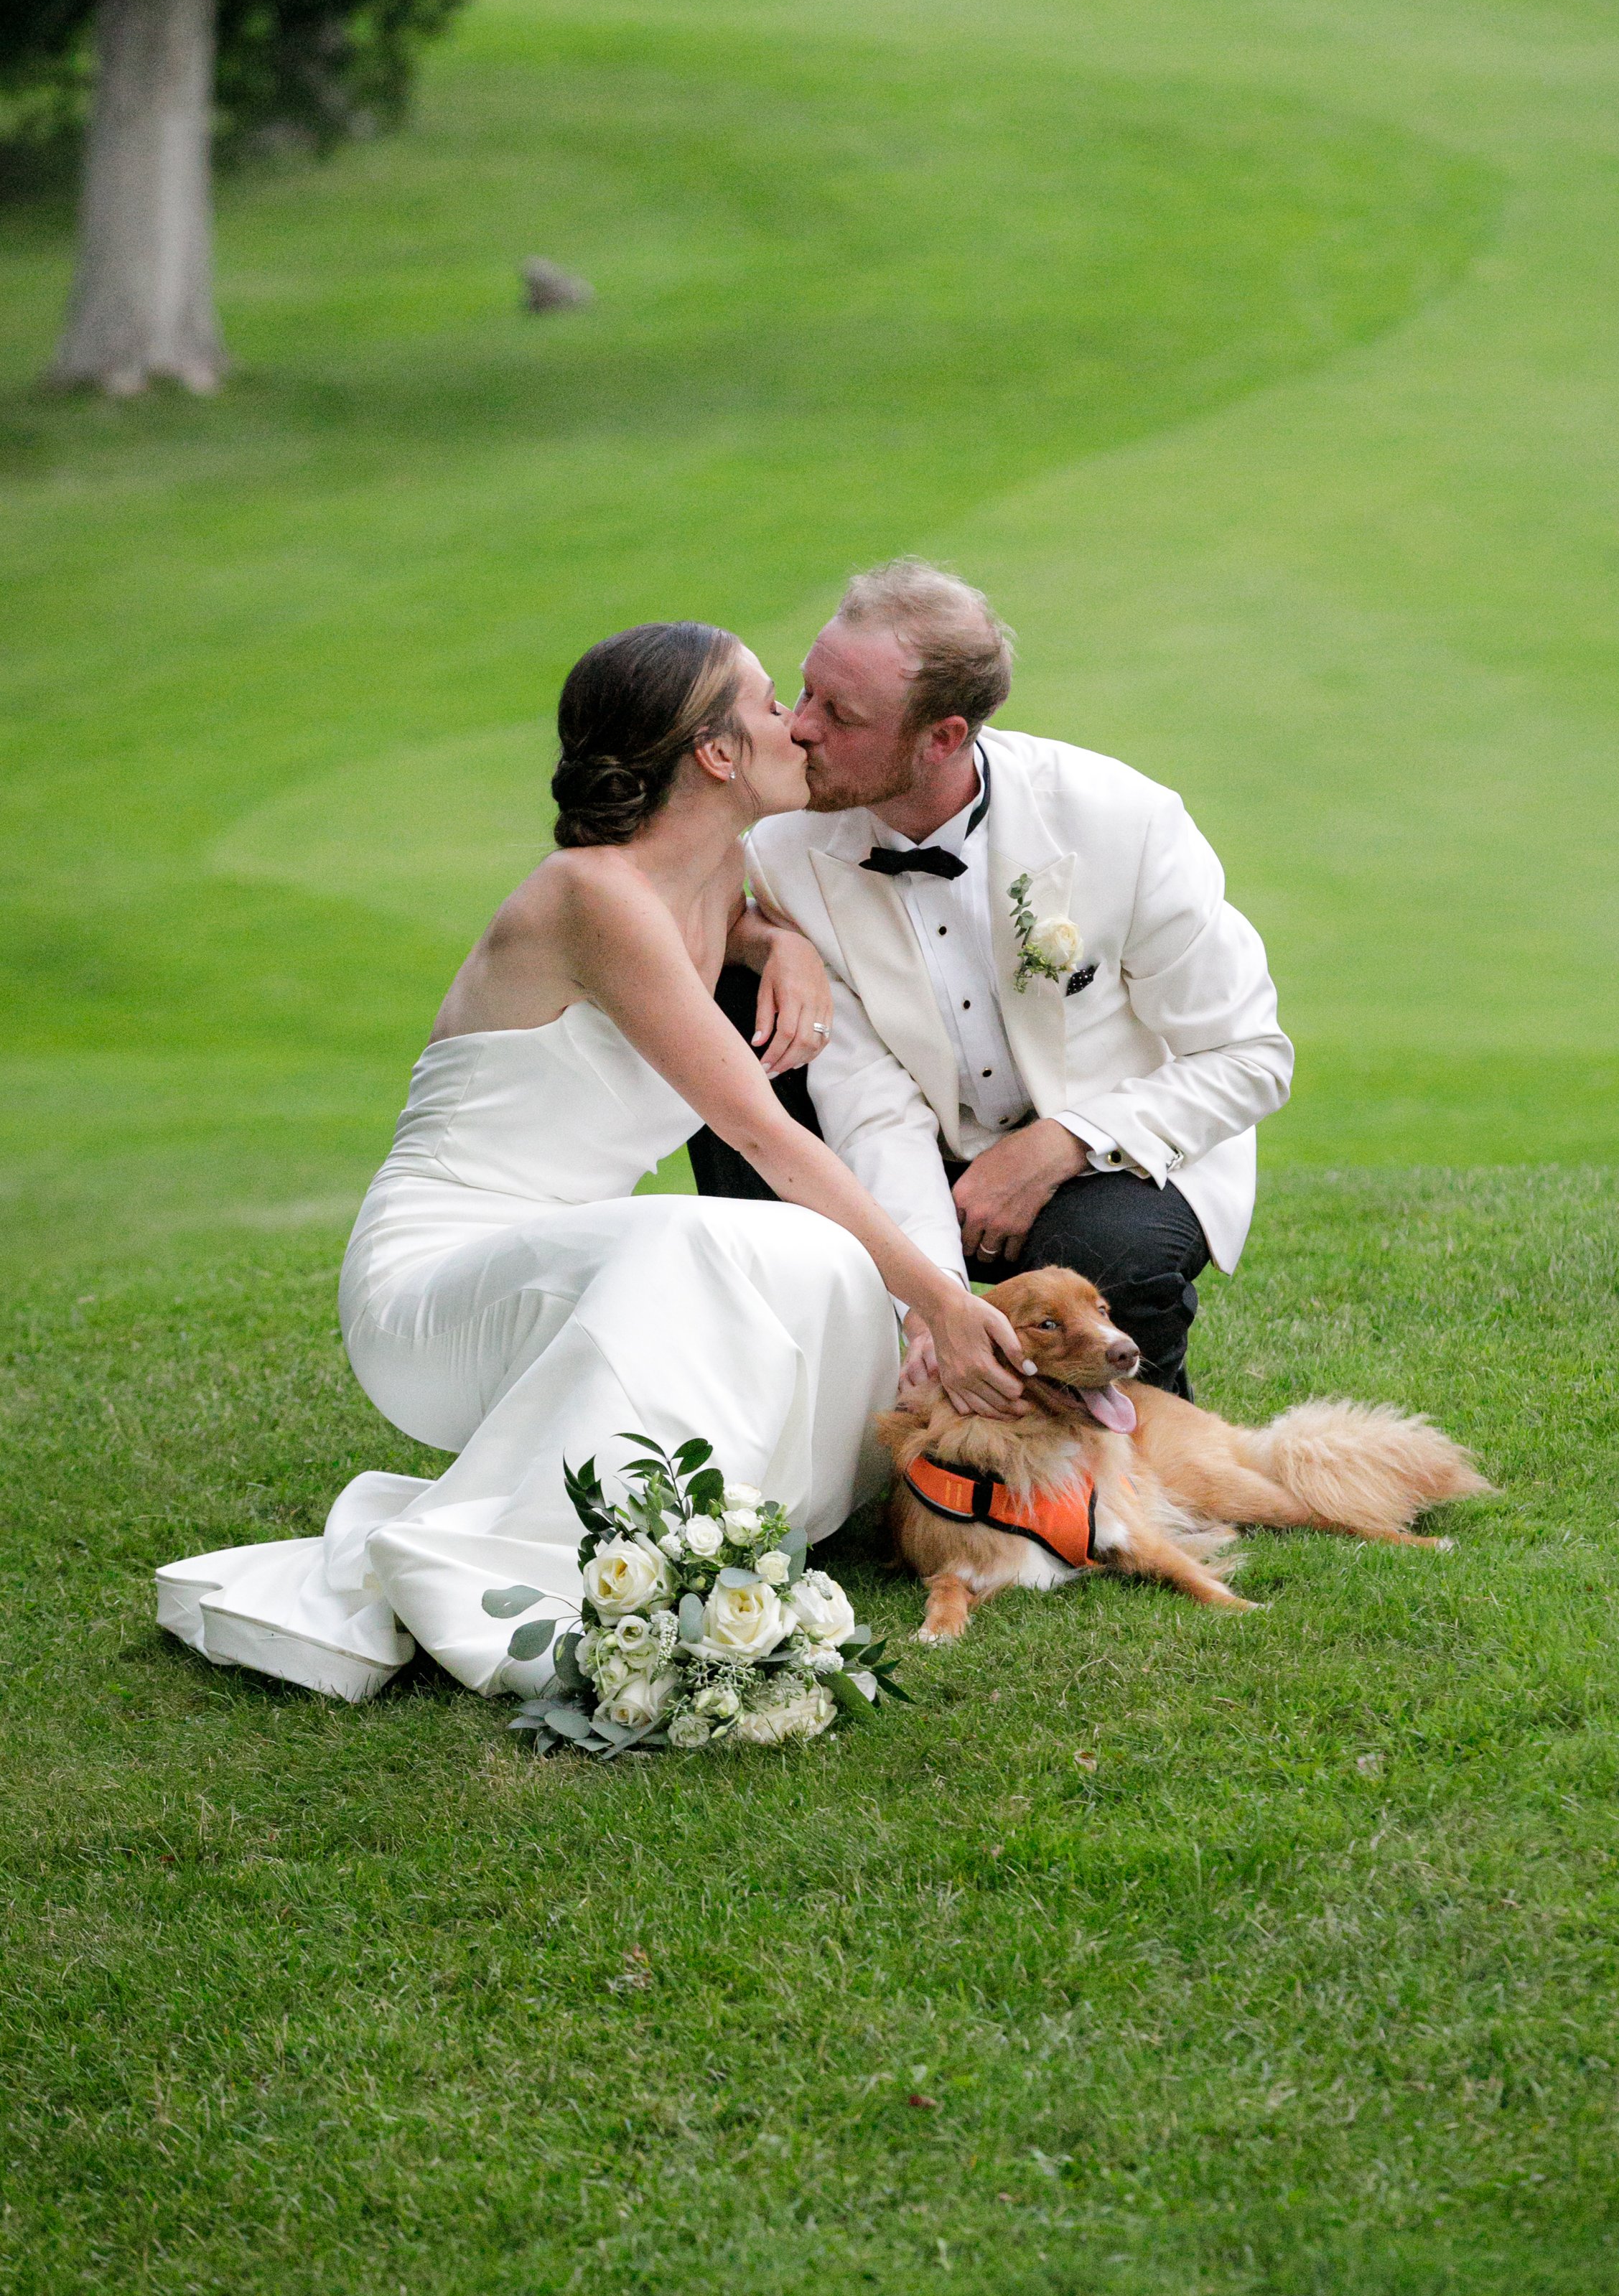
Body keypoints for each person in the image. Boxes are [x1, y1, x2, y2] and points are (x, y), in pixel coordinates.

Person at [157, 622, 1028, 1703]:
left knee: (818, 1258)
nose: (797, 724)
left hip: (575, 1273)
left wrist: (777, 942)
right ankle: (577, 1571)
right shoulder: (587, 894)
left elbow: (718, 919)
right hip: (435, 1284)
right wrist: (942, 1301)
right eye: (770, 705)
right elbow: (760, 1132)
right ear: (715, 754)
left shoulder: (716, 878)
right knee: (705, 1233)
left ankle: (724, 1537)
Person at [687, 561, 1293, 1401]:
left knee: (1106, 1259)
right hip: (911, 1153)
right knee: (733, 1004)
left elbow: (1250, 1057)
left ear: (942, 737)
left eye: (841, 714)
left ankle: (1132, 1452)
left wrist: (1061, 1142)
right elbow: (869, 1101)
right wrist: (929, 1299)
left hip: (1109, 1158)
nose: (800, 730)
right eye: (805, 692)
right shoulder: (783, 847)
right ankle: (808, 1414)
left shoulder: (1125, 819)